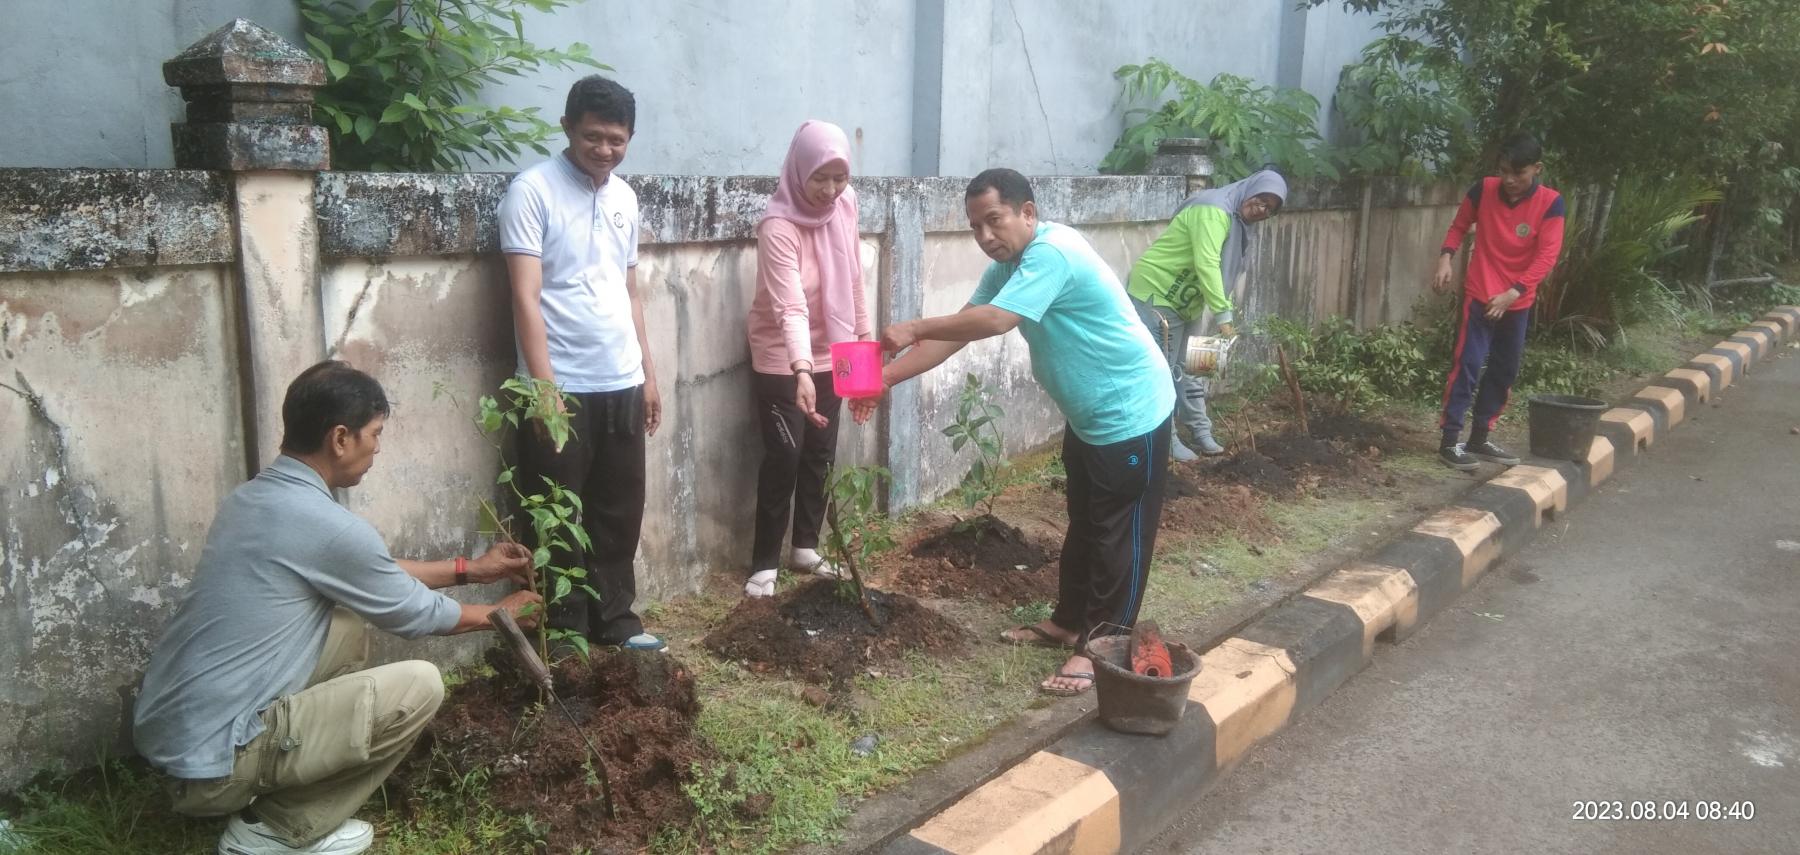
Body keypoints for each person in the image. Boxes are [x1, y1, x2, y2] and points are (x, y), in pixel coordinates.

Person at [133, 361, 542, 855]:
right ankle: (278, 830)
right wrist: (501, 614)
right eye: (376, 433)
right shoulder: (328, 525)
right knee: (420, 685)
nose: (378, 446)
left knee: (345, 617)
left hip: (176, 743)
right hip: (216, 765)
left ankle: (272, 779)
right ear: (341, 438)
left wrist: (470, 571)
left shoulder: (252, 500)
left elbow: (368, 573)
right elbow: (416, 613)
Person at [863, 168, 1174, 697]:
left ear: (1027, 213)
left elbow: (996, 322)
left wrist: (914, 326)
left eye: (994, 221)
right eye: (975, 227)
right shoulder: (1013, 266)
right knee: (1085, 524)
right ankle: (1069, 621)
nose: (986, 237)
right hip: (1090, 418)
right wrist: (884, 379)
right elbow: (964, 327)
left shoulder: (1052, 252)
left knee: (1120, 534)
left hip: (1132, 415)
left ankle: (1100, 647)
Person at [498, 75, 664, 650]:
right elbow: (524, 296)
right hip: (559, 385)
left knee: (619, 512)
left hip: (621, 379)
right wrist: (543, 390)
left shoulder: (625, 197)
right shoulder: (532, 191)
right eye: (593, 136)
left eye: (617, 140)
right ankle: (563, 632)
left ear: (630, 138)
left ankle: (616, 621)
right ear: (567, 127)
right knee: (556, 516)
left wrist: (647, 374)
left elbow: (630, 290)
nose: (605, 150)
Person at [743, 120, 871, 598]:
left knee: (821, 450)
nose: (831, 189)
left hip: (834, 348)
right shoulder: (778, 226)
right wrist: (801, 369)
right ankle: (762, 563)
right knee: (785, 453)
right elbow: (789, 307)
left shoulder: (846, 205)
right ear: (799, 170)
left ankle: (805, 548)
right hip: (781, 354)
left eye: (840, 177)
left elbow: (854, 280)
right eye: (821, 177)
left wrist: (862, 362)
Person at [1126, 169, 1288, 459]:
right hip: (1157, 294)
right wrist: (1224, 317)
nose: (1262, 210)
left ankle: (1201, 430)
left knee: (1197, 365)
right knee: (1163, 372)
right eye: (1261, 200)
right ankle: (1166, 441)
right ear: (1250, 189)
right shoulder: (1214, 209)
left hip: (1190, 302)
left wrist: (1219, 309)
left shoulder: (1239, 223)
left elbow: (1223, 272)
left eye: (1270, 209)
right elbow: (1207, 264)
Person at [1432, 131, 1566, 470]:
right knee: (1469, 364)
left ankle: (1479, 437)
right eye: (1504, 170)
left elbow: (1546, 257)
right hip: (1480, 296)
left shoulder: (1551, 203)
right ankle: (1449, 441)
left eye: (1518, 173)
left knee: (1504, 371)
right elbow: (1459, 226)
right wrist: (1446, 258)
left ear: (1537, 169)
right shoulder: (1483, 190)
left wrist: (1513, 293)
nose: (1509, 180)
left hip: (1516, 302)